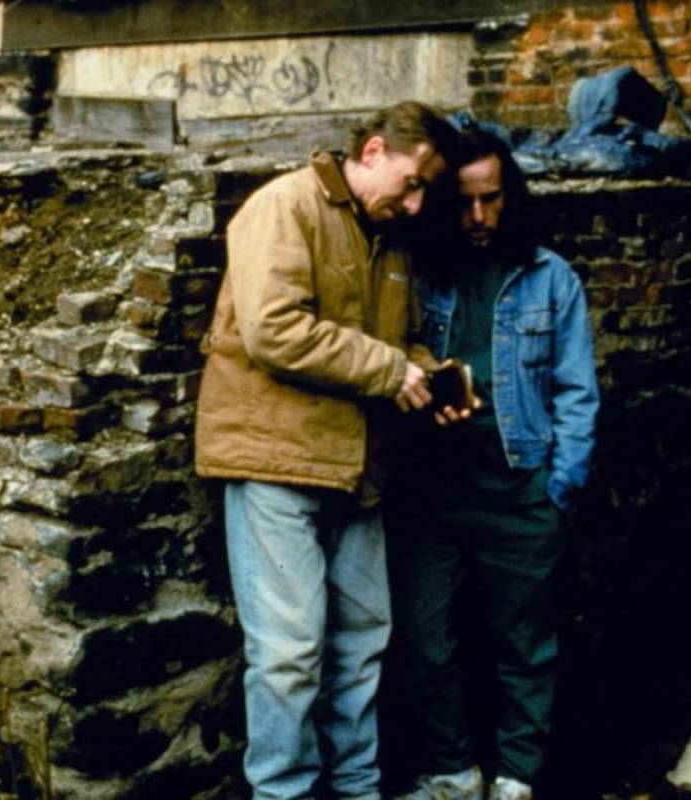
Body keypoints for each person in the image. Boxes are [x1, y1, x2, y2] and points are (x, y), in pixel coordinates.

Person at [194, 101, 460, 800]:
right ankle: (283, 793)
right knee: (288, 655)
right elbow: (274, 330)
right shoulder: (285, 206)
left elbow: (390, 347)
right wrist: (388, 370)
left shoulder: (389, 239)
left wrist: (427, 375)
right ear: (372, 151)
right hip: (275, 462)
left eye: (426, 189)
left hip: (357, 469)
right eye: (412, 182)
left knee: (361, 645)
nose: (416, 202)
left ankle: (355, 790)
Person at [389, 126, 599, 800]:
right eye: (463, 201)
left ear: (512, 196)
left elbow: (577, 391)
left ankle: (517, 778)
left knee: (524, 650)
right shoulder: (418, 275)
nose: (478, 217)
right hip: (433, 500)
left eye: (492, 199)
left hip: (520, 497)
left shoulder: (550, 279)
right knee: (425, 645)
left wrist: (558, 490)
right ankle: (451, 773)